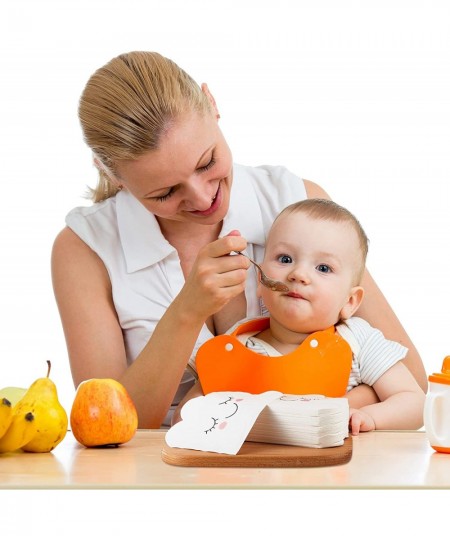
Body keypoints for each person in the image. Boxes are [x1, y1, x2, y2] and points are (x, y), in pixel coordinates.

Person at [51, 51, 427, 428]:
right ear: (112, 174)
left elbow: (412, 381)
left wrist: (316, 413)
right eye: (165, 193)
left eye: (206, 162)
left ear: (212, 104)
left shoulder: (295, 203)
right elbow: (103, 425)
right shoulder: (84, 249)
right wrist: (187, 311)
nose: (202, 199)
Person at [178, 199, 425, 434]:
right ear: (260, 283)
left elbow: (414, 402)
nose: (298, 274)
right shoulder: (238, 344)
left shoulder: (359, 342)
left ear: (350, 302)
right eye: (285, 259)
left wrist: (371, 417)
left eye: (323, 268)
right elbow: (184, 417)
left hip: (337, 473)